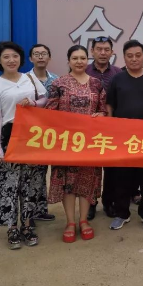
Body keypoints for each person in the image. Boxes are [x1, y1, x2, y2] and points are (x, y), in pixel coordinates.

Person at [0, 41, 47, 250]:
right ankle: (12, 227)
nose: (11, 60)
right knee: (9, 184)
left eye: (15, 56)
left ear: (20, 59)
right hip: (9, 137)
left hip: (32, 137)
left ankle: (28, 225)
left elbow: (44, 99)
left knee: (31, 182)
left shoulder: (30, 79)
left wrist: (33, 103)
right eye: (6, 57)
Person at [46, 45, 107, 243]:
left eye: (82, 58)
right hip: (66, 143)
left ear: (87, 60)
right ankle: (70, 222)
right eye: (75, 58)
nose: (79, 61)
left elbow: (103, 110)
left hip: (90, 142)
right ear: (69, 61)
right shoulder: (59, 83)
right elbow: (49, 113)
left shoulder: (96, 84)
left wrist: (101, 115)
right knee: (68, 183)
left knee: (87, 181)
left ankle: (84, 220)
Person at [106, 40, 143, 231]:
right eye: (130, 56)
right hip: (122, 137)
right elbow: (110, 105)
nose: (134, 59)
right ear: (124, 57)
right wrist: (110, 127)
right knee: (122, 176)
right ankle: (122, 213)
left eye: (138, 55)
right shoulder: (117, 79)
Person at [85, 36, 122, 220]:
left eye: (106, 49)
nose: (102, 53)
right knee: (91, 168)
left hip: (111, 126)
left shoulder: (117, 72)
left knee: (112, 169)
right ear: (92, 51)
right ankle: (91, 203)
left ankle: (109, 202)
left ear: (112, 52)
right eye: (99, 49)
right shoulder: (84, 71)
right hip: (88, 127)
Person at [27, 44, 58, 226]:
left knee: (43, 172)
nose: (40, 57)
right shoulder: (24, 79)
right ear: (31, 58)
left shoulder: (56, 80)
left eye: (44, 53)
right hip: (31, 133)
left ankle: (40, 210)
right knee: (30, 173)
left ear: (49, 57)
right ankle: (28, 213)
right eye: (36, 54)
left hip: (51, 133)